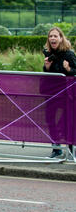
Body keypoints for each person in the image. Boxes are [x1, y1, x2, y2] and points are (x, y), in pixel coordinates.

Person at [43, 27, 76, 158]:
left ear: (61, 38)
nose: (52, 38)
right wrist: (47, 67)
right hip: (51, 92)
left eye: (55, 36)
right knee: (49, 119)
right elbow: (48, 73)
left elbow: (75, 71)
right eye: (50, 36)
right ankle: (56, 148)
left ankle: (70, 147)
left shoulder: (68, 54)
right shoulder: (47, 53)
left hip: (67, 93)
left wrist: (69, 69)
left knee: (68, 120)